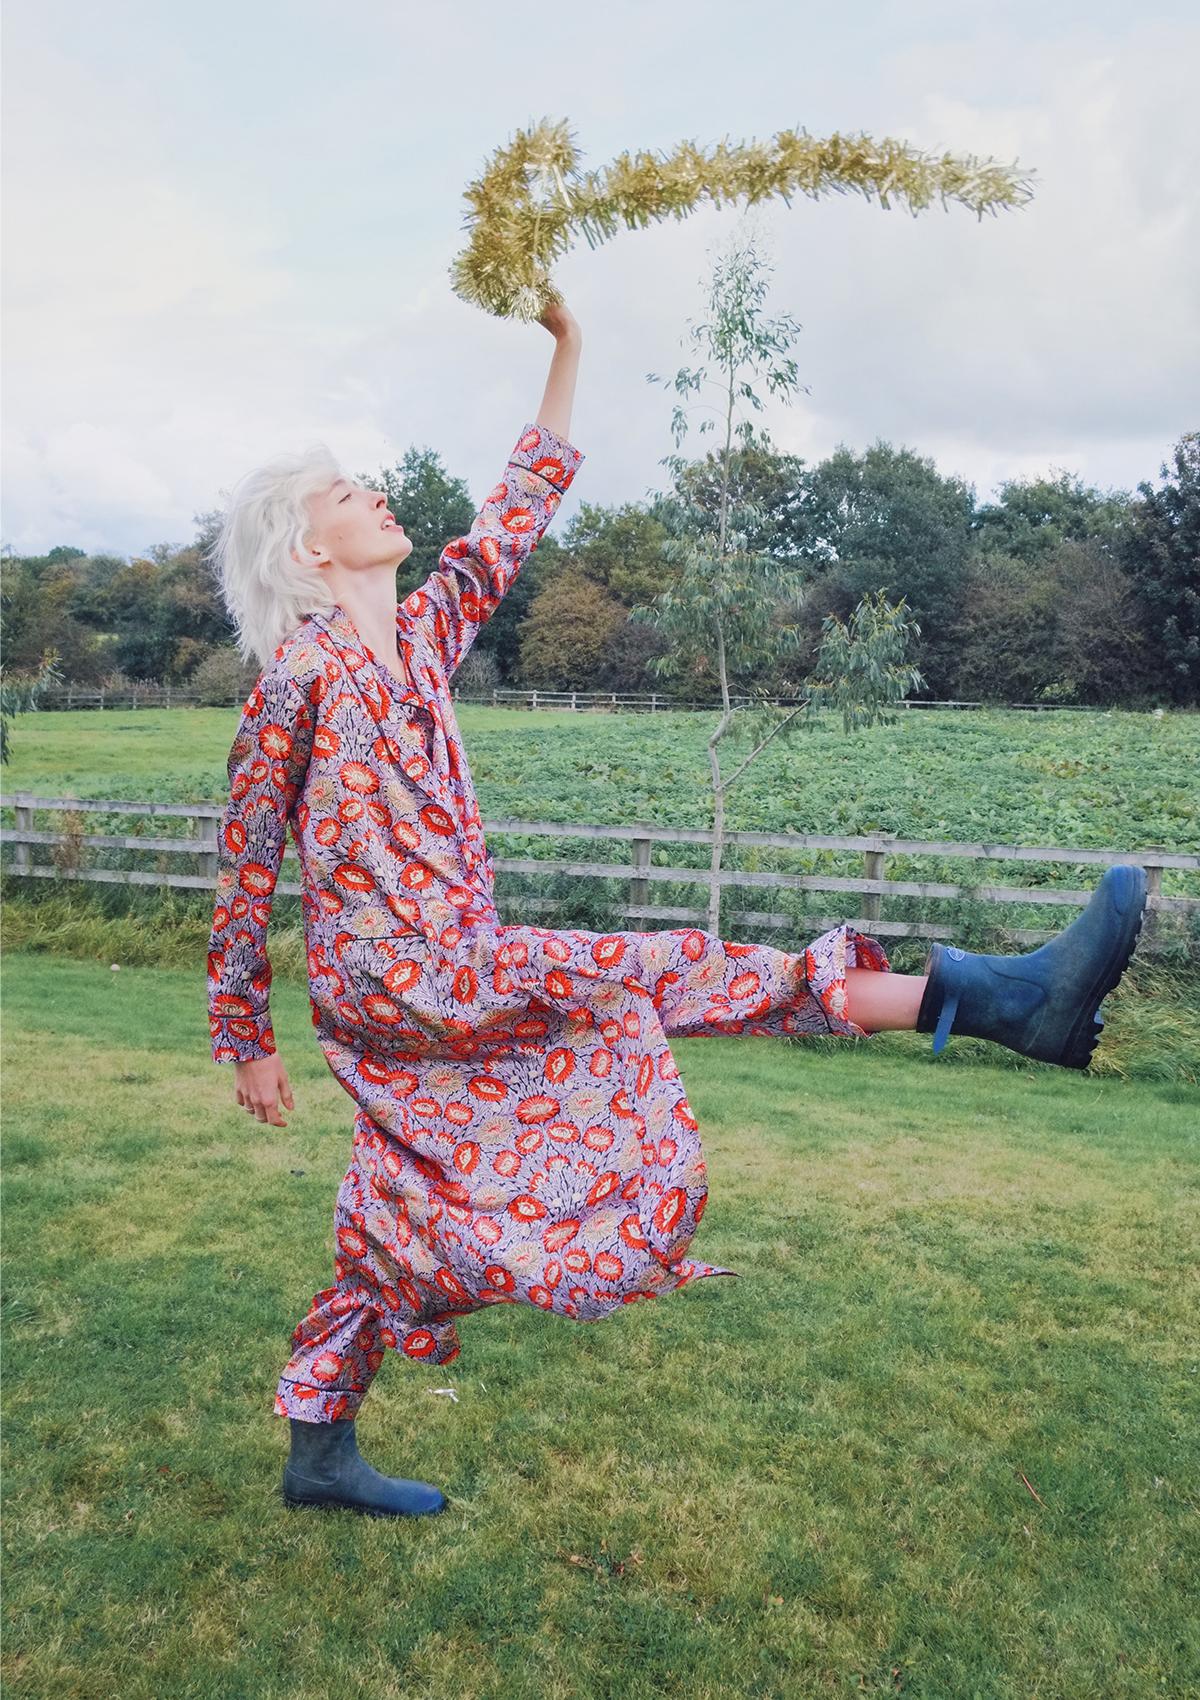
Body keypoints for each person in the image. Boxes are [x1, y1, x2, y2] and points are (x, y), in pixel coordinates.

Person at [204, 301, 1148, 1520]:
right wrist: (245, 1034)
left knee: (391, 1212)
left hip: (455, 963)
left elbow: (513, 515)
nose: (377, 493)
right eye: (347, 492)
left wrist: (568, 349)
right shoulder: (297, 677)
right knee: (652, 967)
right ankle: (996, 997)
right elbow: (244, 861)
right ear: (308, 548)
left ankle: (318, 1446)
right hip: (403, 980)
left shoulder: (424, 639)